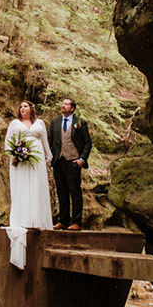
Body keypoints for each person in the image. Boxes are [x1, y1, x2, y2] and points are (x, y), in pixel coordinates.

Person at [4, 100, 53, 268]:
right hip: (21, 160)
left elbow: (45, 142)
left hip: (37, 159)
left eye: (26, 106)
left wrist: (48, 158)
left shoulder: (40, 123)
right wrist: (16, 154)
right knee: (23, 188)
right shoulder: (14, 123)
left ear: (31, 108)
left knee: (37, 188)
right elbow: (7, 143)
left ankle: (37, 219)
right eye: (21, 106)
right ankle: (23, 218)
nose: (23, 108)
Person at [47, 97, 92, 231]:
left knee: (75, 192)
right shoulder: (55, 122)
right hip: (58, 162)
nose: (63, 106)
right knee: (61, 192)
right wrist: (50, 159)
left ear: (72, 108)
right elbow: (50, 142)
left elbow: (87, 143)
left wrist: (81, 159)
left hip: (73, 162)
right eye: (63, 104)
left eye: (66, 104)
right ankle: (63, 221)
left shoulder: (80, 122)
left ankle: (76, 221)